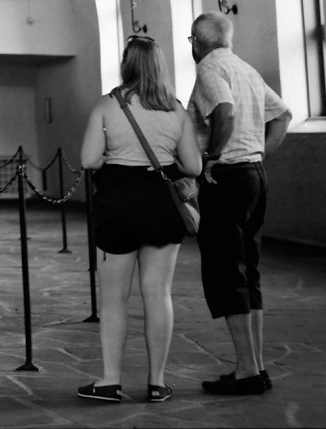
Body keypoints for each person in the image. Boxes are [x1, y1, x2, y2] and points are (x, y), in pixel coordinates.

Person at [78, 35, 201, 403]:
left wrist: (112, 158)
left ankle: (110, 380)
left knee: (114, 298)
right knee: (157, 294)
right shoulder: (175, 111)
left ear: (125, 64)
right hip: (161, 205)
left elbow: (88, 160)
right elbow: (194, 166)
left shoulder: (107, 105)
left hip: (117, 204)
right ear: (159, 65)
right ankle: (157, 382)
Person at [189, 12, 291, 396]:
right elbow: (282, 116)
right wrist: (258, 155)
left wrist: (212, 157)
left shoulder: (210, 67)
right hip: (253, 176)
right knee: (248, 269)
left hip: (228, 178)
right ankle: (257, 366)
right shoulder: (246, 68)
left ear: (197, 42)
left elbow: (224, 111)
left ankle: (247, 370)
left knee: (226, 270)